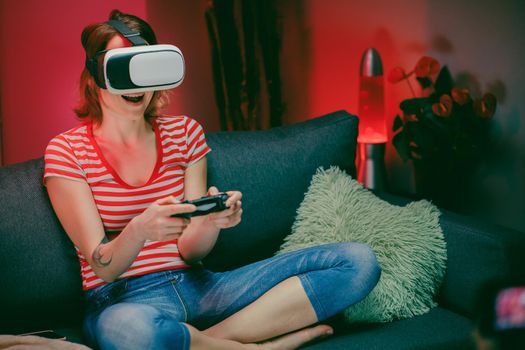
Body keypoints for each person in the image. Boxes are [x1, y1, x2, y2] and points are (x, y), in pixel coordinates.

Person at [44, 9, 381, 350]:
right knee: (133, 333)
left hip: (202, 287)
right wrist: (140, 228)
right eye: (122, 69)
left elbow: (190, 253)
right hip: (122, 300)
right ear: (96, 75)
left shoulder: (185, 132)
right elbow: (104, 268)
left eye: (145, 68)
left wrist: (210, 221)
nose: (136, 85)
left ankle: (206, 342)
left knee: (358, 262)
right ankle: (256, 346)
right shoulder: (67, 151)